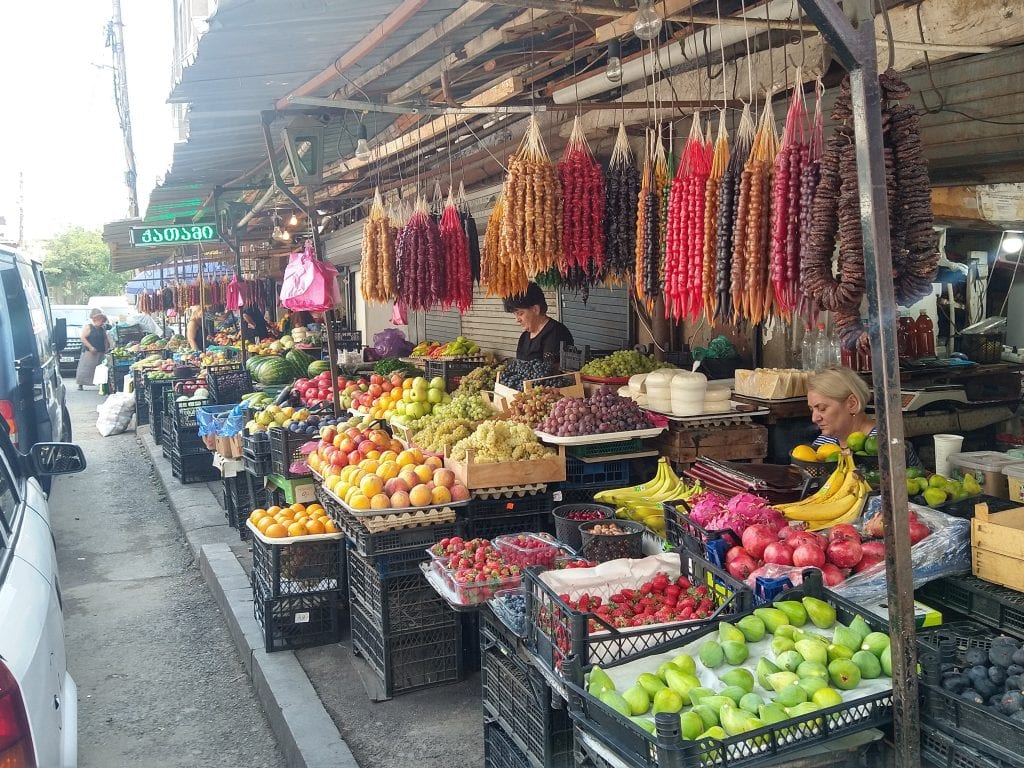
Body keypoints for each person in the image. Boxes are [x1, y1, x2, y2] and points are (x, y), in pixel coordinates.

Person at [807, 366, 923, 468]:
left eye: (822, 408)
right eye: (812, 410)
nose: (814, 418)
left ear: (852, 404)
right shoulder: (823, 442)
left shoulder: (883, 444)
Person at [503, 282, 574, 364]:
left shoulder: (558, 334)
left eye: (520, 313)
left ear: (536, 309)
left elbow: (555, 372)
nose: (517, 319)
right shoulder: (524, 337)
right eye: (515, 314)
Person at [76, 314, 111, 390]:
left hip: (100, 351)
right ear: (97, 320)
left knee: (98, 369)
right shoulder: (89, 327)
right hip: (89, 352)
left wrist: (106, 348)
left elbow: (105, 339)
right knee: (86, 368)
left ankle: (99, 384)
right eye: (102, 321)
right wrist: (90, 347)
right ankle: (81, 384)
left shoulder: (102, 329)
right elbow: (83, 338)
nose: (103, 323)